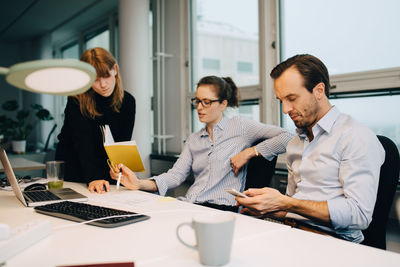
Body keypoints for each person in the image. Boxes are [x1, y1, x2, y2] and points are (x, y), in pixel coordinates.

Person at [236, 54, 385, 242]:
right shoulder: (295, 144)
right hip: (292, 232)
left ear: (319, 90)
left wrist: (285, 202)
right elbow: (295, 207)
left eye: (292, 98)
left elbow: (359, 214)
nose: (285, 109)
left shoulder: (355, 136)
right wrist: (268, 208)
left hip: (334, 242)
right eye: (281, 100)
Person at [110, 76, 294, 211]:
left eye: (206, 102)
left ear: (223, 104)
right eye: (197, 101)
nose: (199, 107)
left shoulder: (240, 126)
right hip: (191, 204)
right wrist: (138, 183)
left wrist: (249, 152)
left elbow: (288, 137)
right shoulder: (194, 139)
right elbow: (175, 176)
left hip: (221, 208)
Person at [55, 47, 136, 194]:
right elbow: (83, 143)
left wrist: (119, 172)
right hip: (76, 169)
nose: (103, 85)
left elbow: (121, 145)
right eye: (95, 80)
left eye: (106, 76)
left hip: (106, 174)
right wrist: (93, 177)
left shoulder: (128, 101)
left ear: (115, 69)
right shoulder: (77, 100)